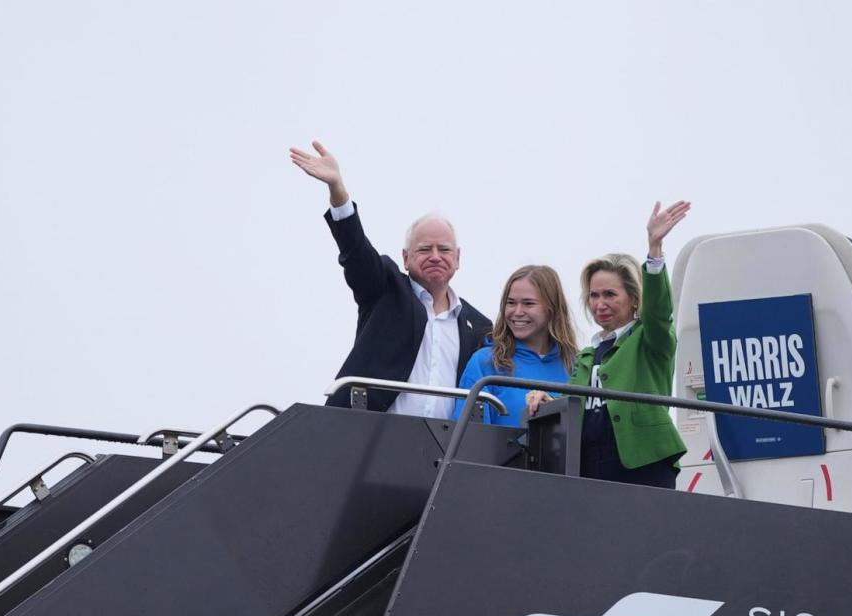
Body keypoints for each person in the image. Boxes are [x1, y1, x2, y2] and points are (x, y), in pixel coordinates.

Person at [290, 140, 490, 417]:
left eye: (444, 250)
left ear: (457, 258)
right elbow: (356, 250)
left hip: (445, 449)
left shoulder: (479, 325)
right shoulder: (385, 288)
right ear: (406, 258)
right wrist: (338, 190)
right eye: (424, 249)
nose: (435, 256)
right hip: (375, 439)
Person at [527, 201, 691, 488]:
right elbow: (581, 405)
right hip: (590, 464)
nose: (600, 304)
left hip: (643, 464)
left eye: (610, 295)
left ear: (634, 298)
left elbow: (658, 311)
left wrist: (654, 248)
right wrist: (547, 402)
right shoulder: (587, 354)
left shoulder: (650, 338)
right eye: (594, 296)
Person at [452, 265, 579, 427]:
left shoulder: (577, 367)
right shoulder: (485, 362)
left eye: (528, 303)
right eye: (511, 303)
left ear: (551, 309)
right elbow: (471, 439)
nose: (518, 312)